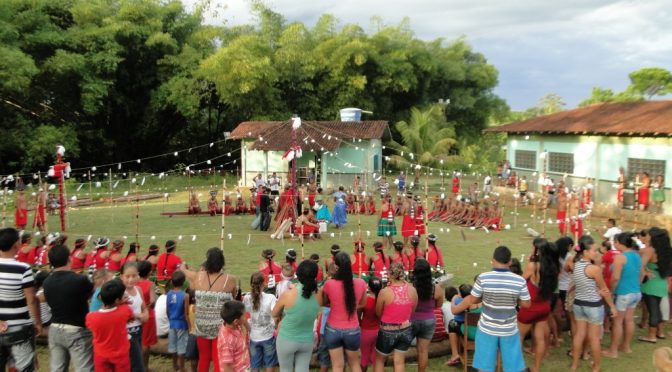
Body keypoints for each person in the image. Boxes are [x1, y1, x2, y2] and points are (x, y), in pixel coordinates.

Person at [452, 246, 532, 372]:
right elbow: (526, 304)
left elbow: (472, 300)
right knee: (513, 368)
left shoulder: (483, 278)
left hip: (487, 329)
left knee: (484, 367)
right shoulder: (519, 280)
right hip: (509, 330)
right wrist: (513, 298)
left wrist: (485, 297)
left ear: (493, 260)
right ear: (509, 262)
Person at [180, 248, 236, 372]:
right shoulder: (230, 279)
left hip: (201, 325)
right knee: (218, 359)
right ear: (222, 262)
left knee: (204, 358)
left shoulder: (197, 276)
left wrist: (182, 265)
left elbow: (183, 271)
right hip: (220, 327)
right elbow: (234, 296)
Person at [43, 244, 94, 372]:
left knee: (57, 368)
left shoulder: (47, 281)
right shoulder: (80, 279)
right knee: (84, 368)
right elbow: (92, 294)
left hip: (54, 328)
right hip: (76, 329)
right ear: (69, 259)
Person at [569, 235, 617, 371]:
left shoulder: (575, 265)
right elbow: (604, 290)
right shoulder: (594, 269)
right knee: (594, 338)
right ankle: (596, 367)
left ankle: (574, 364)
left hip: (579, 304)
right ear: (585, 252)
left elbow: (585, 284)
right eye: (594, 250)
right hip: (593, 306)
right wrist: (612, 306)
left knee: (579, 334)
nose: (596, 253)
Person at [0, 227, 41, 371]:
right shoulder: (23, 268)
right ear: (16, 245)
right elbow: (31, 299)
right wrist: (37, 322)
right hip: (19, 327)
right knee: (25, 367)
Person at [319, 252, 368, 372]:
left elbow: (323, 302)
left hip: (333, 329)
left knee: (337, 366)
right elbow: (362, 303)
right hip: (352, 330)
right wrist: (350, 305)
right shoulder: (361, 283)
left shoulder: (329, 284)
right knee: (355, 364)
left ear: (336, 266)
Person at [517, 238, 560, 372]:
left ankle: (516, 367)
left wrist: (528, 262)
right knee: (540, 338)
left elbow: (520, 281)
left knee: (518, 337)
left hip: (530, 307)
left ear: (538, 250)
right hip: (544, 306)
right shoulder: (554, 267)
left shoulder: (533, 266)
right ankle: (536, 368)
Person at [273, 260, 320, 372]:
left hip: (287, 338)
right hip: (307, 340)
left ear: (298, 276)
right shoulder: (320, 295)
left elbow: (274, 313)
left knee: (285, 369)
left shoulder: (288, 294)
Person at [374, 262, 418, 372]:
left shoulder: (384, 292)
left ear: (389, 274)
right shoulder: (412, 290)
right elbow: (413, 311)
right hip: (406, 329)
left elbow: (378, 313)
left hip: (387, 331)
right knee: (399, 362)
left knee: (380, 360)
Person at [604, 232, 642, 359]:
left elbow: (615, 277)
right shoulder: (637, 255)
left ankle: (613, 351)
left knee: (617, 322)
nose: (614, 245)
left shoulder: (620, 257)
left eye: (615, 242)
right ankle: (626, 346)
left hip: (624, 293)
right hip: (636, 292)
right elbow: (641, 274)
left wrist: (612, 290)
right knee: (629, 320)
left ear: (620, 243)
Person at [85, 279, 134, 371]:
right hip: (120, 355)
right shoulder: (125, 310)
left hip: (100, 355)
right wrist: (122, 303)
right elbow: (131, 316)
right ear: (117, 300)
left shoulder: (91, 317)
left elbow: (90, 326)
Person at [410, 258, 444, 372]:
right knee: (423, 351)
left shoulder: (411, 288)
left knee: (401, 350)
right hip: (429, 320)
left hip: (411, 320)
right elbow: (438, 305)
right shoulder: (436, 288)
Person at [639, 227, 672, 342]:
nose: (646, 236)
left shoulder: (650, 250)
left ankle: (651, 336)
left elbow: (640, 264)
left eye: (648, 235)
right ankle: (659, 332)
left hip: (651, 284)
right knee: (657, 309)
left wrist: (645, 271)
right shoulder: (666, 251)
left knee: (653, 310)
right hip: (662, 283)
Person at [244, 272, 278, 372]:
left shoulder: (246, 298)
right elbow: (275, 315)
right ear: (264, 283)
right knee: (269, 363)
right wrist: (274, 326)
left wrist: (248, 328)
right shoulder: (270, 297)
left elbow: (242, 315)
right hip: (268, 336)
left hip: (254, 337)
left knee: (255, 363)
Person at [121, 262, 149, 372]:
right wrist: (138, 316)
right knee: (137, 365)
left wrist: (145, 314)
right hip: (127, 332)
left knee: (135, 361)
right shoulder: (121, 293)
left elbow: (144, 307)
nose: (131, 279)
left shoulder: (138, 290)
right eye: (127, 276)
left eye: (133, 276)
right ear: (122, 276)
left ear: (138, 275)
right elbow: (120, 312)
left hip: (139, 330)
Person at [218, 300, 250, 372]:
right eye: (244, 315)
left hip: (244, 367)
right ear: (235, 321)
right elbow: (227, 367)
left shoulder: (234, 325)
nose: (246, 317)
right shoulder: (227, 341)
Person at [167, 271, 190, 372]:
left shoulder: (169, 294)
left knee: (173, 346)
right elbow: (186, 313)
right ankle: (182, 368)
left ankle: (174, 366)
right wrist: (189, 326)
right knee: (181, 346)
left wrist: (170, 320)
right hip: (181, 323)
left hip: (172, 323)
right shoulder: (185, 296)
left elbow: (167, 310)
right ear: (183, 282)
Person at [137, 261, 158, 370]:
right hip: (147, 315)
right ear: (149, 272)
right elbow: (153, 301)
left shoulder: (133, 283)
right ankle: (144, 366)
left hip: (135, 315)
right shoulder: (149, 284)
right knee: (145, 344)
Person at [360, 277, 382, 372]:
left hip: (366, 331)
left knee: (364, 357)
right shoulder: (382, 300)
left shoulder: (365, 300)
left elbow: (358, 316)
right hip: (379, 330)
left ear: (368, 287)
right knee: (376, 359)